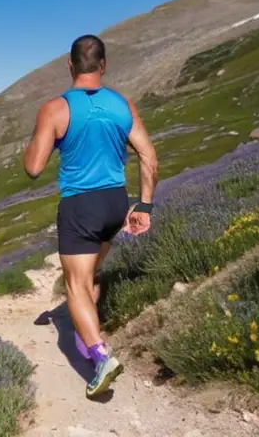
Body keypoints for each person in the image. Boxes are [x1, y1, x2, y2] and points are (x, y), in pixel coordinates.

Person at [22, 34, 158, 398]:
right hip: (116, 202)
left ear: (70, 65)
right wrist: (143, 206)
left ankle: (100, 357)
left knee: (76, 284)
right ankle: (88, 333)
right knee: (90, 273)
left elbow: (33, 167)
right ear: (104, 65)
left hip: (80, 205)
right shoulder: (122, 104)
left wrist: (38, 137)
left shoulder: (55, 108)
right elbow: (149, 157)